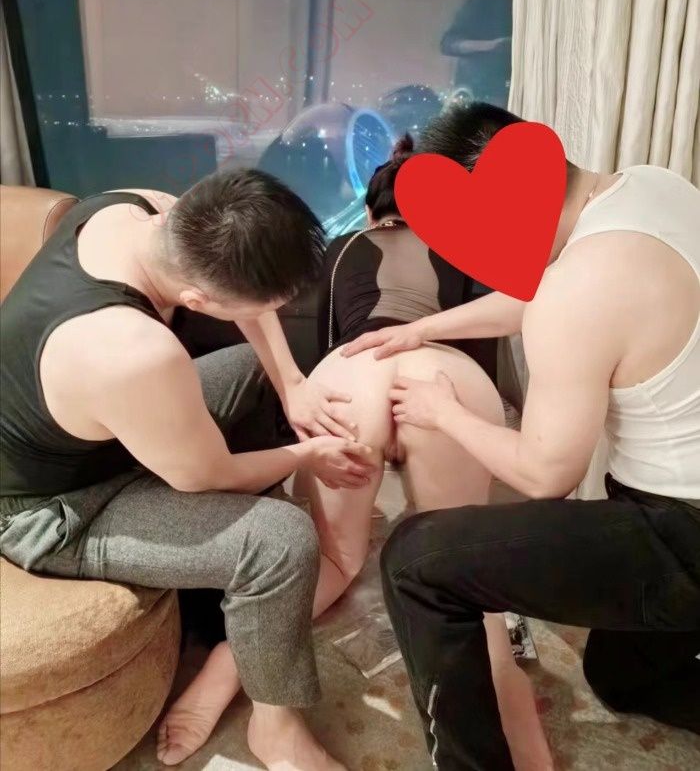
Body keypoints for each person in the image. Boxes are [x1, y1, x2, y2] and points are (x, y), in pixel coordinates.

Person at [344, 103, 700, 770]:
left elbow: (543, 475)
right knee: (619, 677)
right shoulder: (649, 187)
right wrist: (422, 329)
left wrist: (443, 412)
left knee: (417, 561)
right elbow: (542, 289)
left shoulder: (580, 284)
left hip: (684, 527)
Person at [0, 169, 380, 771]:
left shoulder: (137, 208)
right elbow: (205, 477)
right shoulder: (133, 351)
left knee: (254, 371)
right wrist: (306, 456)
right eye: (267, 305)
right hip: (51, 510)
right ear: (200, 303)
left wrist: (292, 385)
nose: (275, 313)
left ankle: (237, 608)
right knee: (281, 542)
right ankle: (275, 728)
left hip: (104, 431)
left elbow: (247, 308)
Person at [293, 135, 553, 771]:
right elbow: (486, 344)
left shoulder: (343, 246)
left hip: (351, 376)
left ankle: (225, 675)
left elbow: (325, 337)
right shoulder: (462, 244)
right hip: (443, 376)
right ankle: (524, 737)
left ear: (371, 209)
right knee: (465, 585)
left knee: (334, 560)